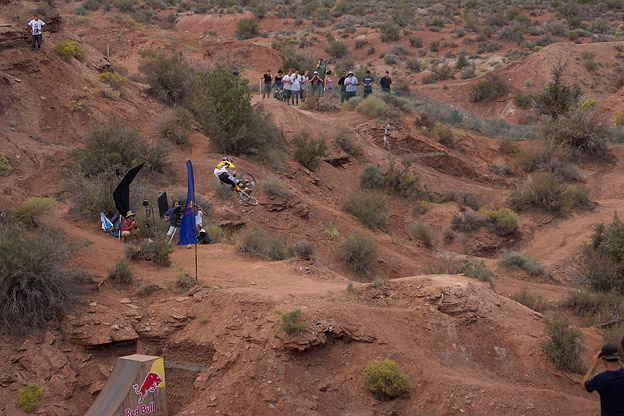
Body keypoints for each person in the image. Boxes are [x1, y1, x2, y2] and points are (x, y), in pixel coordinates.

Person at [582, 344, 624, 416]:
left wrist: (593, 366)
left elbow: (583, 385)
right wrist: (619, 362)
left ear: (603, 359)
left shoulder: (601, 379)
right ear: (617, 358)